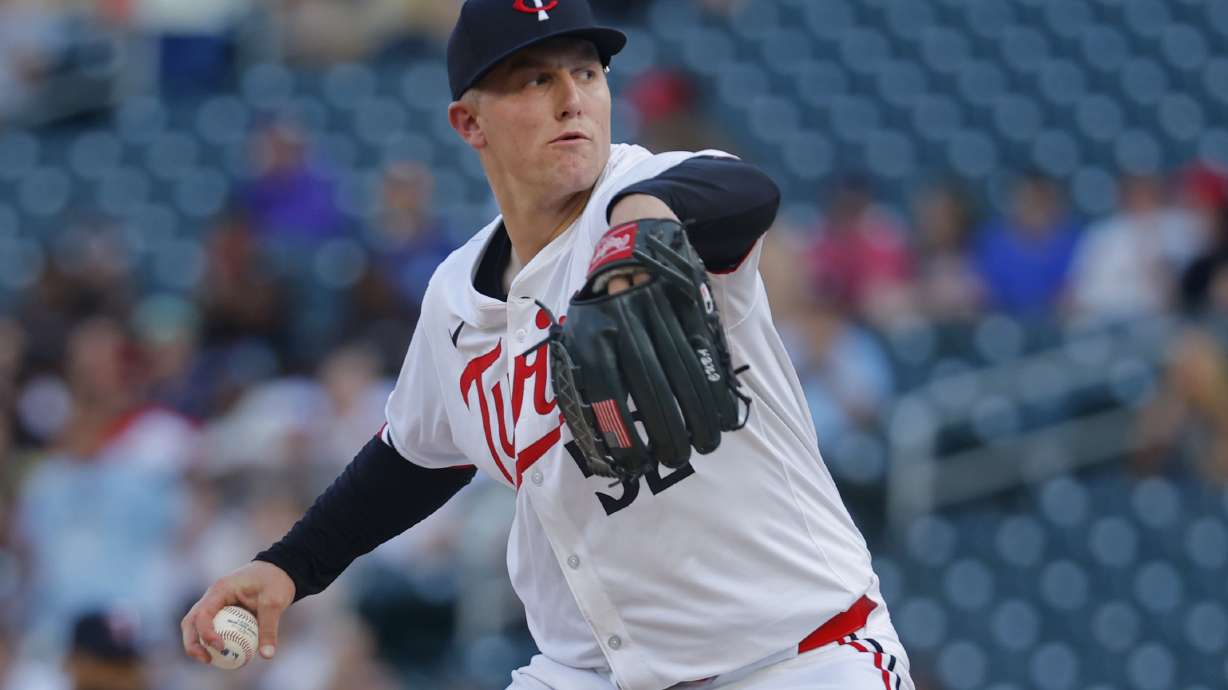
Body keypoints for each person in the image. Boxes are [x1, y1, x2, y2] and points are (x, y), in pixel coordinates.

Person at [181, 2, 914, 689]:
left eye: (586, 73)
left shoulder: (647, 187)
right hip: (587, 672)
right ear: (470, 123)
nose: (571, 98)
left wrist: (641, 224)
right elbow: (412, 456)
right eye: (535, 78)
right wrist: (290, 567)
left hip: (793, 657)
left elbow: (740, 190)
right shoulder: (455, 296)